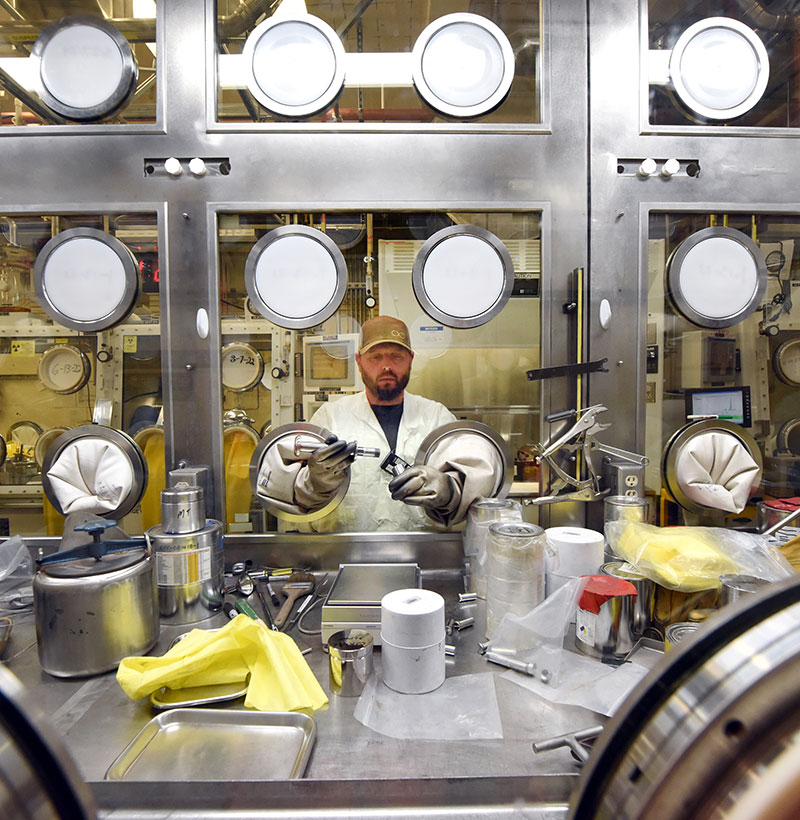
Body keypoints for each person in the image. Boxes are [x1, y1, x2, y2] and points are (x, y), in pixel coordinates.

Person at [257, 316, 502, 532]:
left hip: (424, 553)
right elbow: (295, 497)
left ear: (410, 360)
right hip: (346, 553)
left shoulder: (436, 417)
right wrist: (317, 482)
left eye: (396, 356)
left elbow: (476, 486)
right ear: (359, 361)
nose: (386, 366)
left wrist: (448, 489)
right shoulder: (330, 417)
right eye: (375, 357)